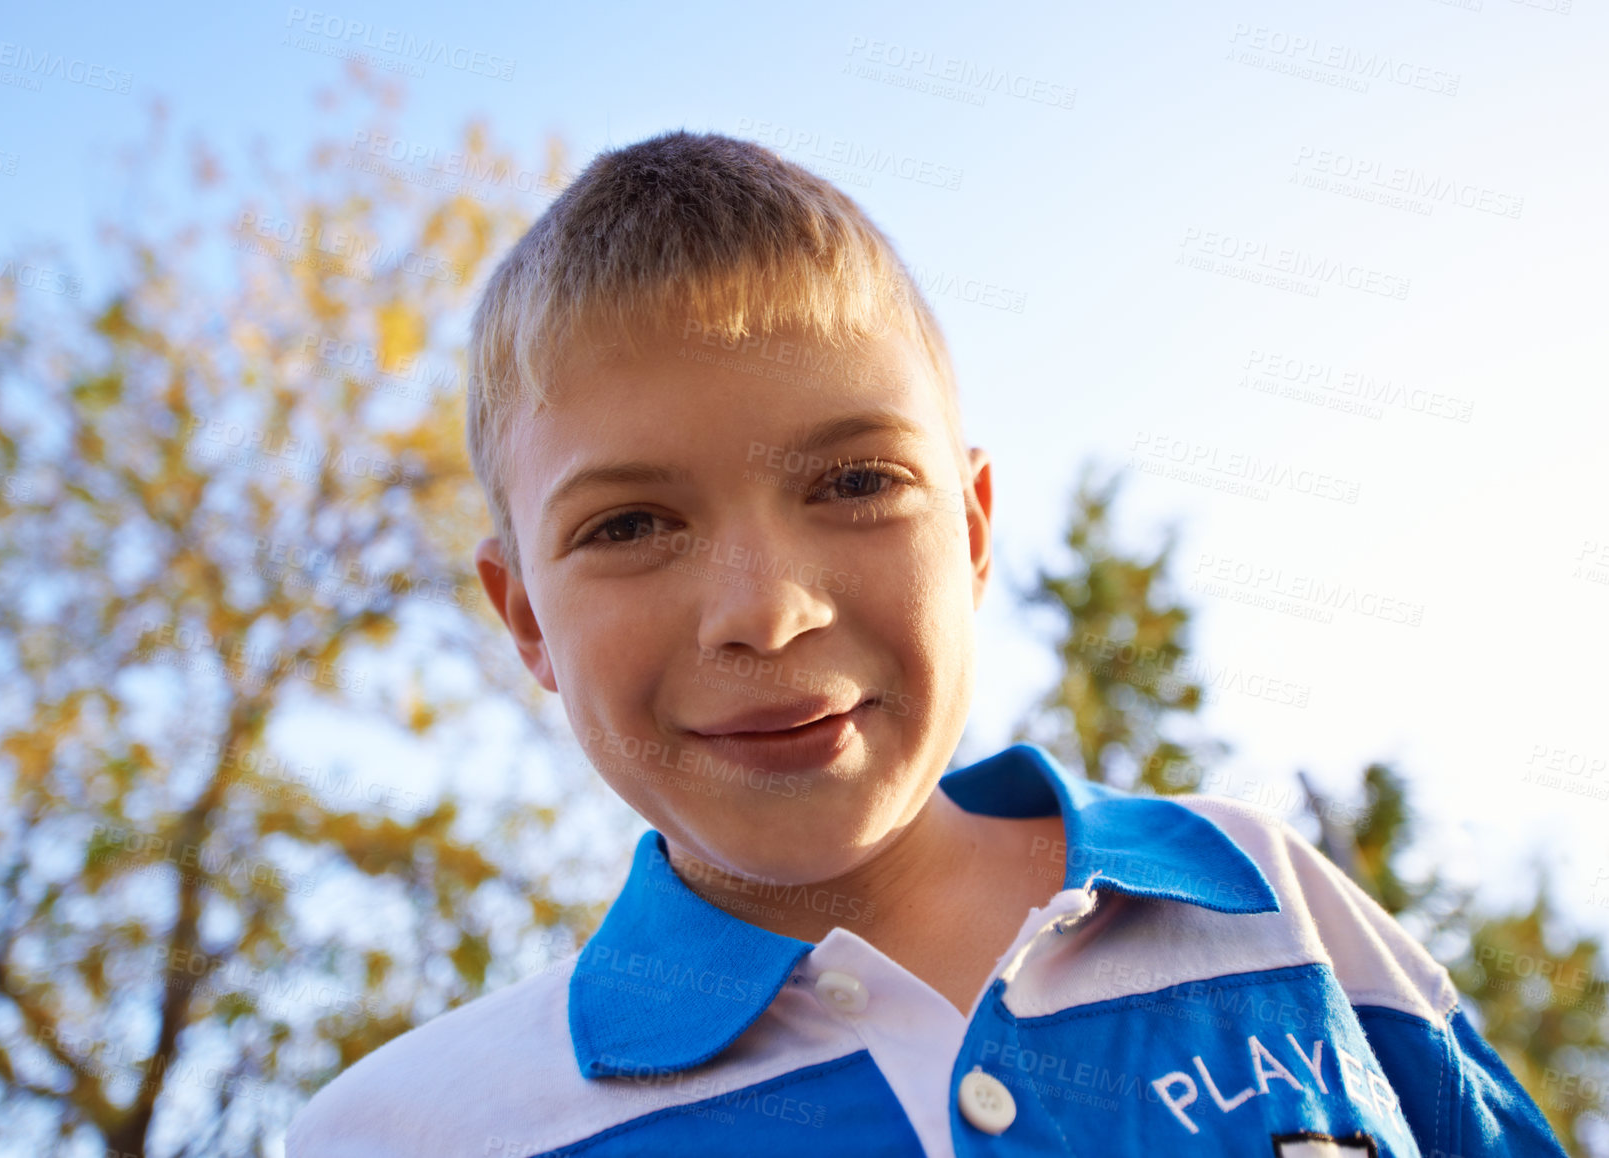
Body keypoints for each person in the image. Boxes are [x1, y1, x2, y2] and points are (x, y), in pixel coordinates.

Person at [286, 130, 1564, 1157]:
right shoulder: (408, 1133)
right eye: (630, 523)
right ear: (525, 622)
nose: (766, 611)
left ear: (972, 525)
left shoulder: (1261, 902)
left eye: (853, 483)